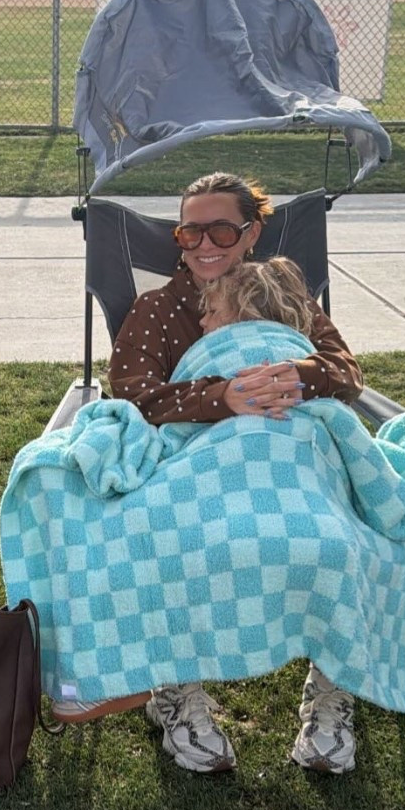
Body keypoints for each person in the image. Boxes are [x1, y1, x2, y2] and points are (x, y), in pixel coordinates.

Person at [108, 171, 364, 777]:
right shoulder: (157, 309)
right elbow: (134, 396)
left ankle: (332, 694)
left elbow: (346, 372)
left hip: (291, 459)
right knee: (176, 546)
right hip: (195, 465)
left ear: (250, 232)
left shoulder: (289, 299)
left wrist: (295, 378)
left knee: (336, 545)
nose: (203, 244)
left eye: (220, 228)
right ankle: (175, 691)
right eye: (189, 230)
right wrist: (222, 394)